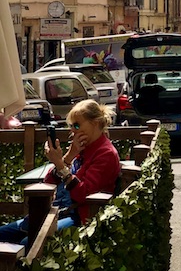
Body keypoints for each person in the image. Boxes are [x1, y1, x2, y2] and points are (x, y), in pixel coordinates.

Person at [0, 99, 121, 246]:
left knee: (28, 243)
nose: (73, 131)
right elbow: (50, 182)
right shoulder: (82, 148)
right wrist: (69, 156)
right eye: (71, 126)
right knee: (3, 232)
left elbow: (82, 194)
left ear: (94, 123)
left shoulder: (105, 154)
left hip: (80, 217)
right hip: (58, 211)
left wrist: (60, 165)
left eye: (77, 125)